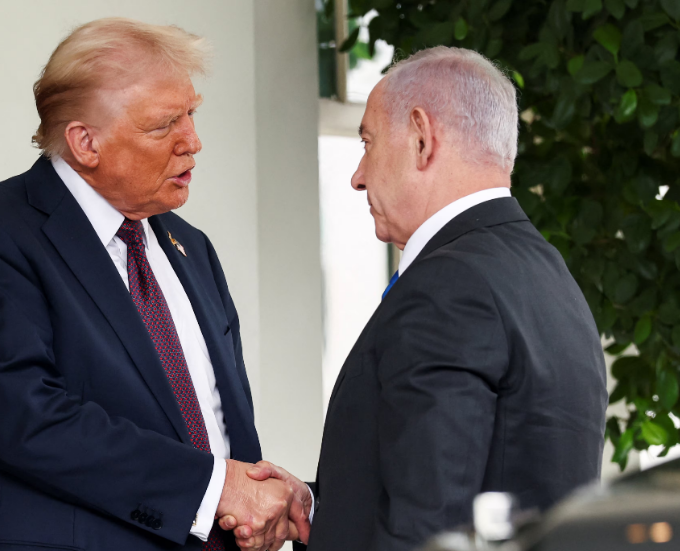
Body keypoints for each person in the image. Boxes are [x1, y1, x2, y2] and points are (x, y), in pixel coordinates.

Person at [0, 18, 309, 551]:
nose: (193, 141)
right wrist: (216, 489)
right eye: (163, 124)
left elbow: (219, 429)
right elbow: (27, 421)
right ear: (85, 142)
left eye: (191, 113)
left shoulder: (190, 248)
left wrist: (260, 501)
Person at [224, 46, 608, 551]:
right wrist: (316, 507)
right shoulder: (544, 271)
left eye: (368, 142)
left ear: (423, 139)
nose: (358, 174)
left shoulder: (449, 285)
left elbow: (429, 526)